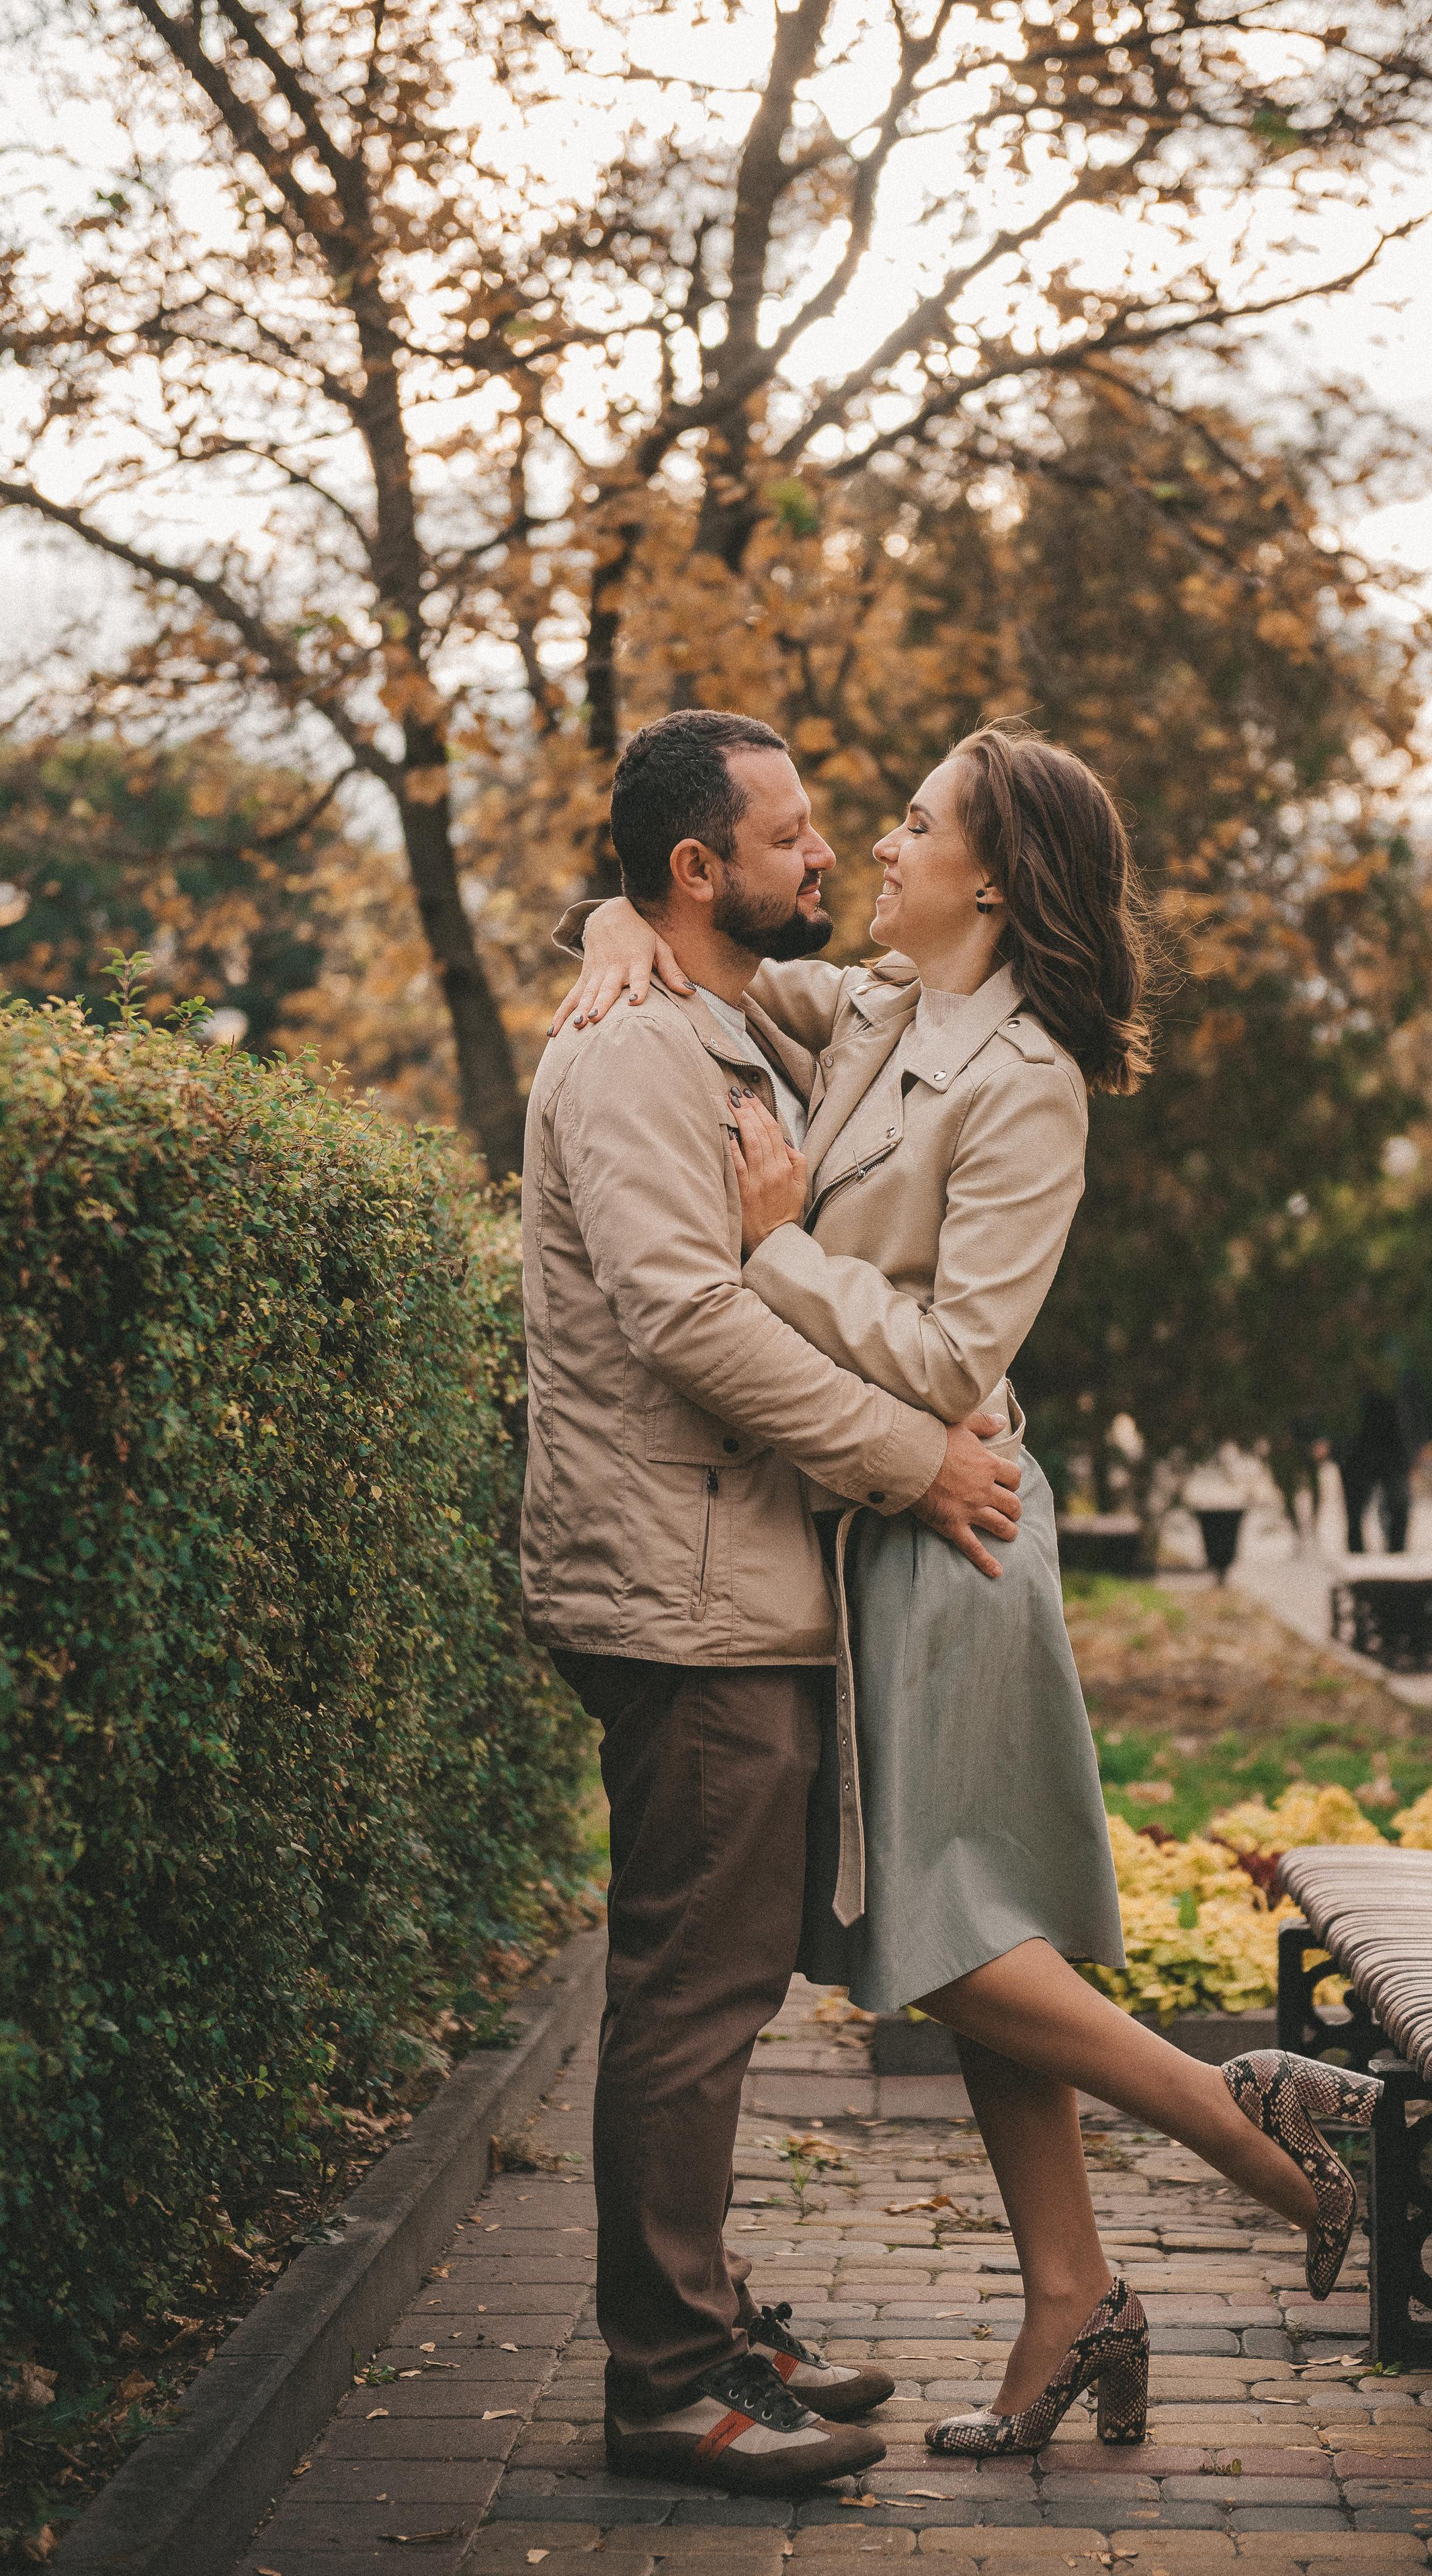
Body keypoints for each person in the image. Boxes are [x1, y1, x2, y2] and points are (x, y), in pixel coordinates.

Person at [559, 720, 1382, 2464]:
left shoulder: (1028, 1081)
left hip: (951, 1532)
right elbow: (693, 941)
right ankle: (1074, 2285)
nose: (874, 843)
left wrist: (780, 1254)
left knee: (936, 1933)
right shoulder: (876, 1013)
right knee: (960, 1915)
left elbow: (952, 1357)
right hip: (870, 1530)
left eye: (914, 822)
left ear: (994, 874)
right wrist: (608, 924)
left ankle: (1232, 2112)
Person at [521, 710, 1029, 2497]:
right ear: (697, 869)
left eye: (832, 831)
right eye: (793, 835)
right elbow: (693, 1318)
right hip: (681, 1594)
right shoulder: (641, 1054)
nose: (824, 858)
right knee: (690, 1995)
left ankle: (708, 2317)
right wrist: (918, 1460)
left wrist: (614, 931)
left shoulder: (718, 1013)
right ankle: (668, 2382)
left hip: (731, 1577)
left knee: (711, 1985)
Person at [1337, 1347, 1428, 1555]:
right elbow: (1337, 1407)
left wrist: (1419, 1443)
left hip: (1394, 1447)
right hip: (1357, 1448)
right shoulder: (1350, 1364)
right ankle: (1357, 1558)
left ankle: (1397, 1553)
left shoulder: (1402, 1366)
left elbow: (1417, 1406)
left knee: (1399, 1503)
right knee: (1355, 1509)